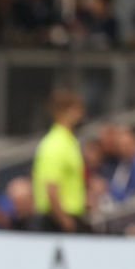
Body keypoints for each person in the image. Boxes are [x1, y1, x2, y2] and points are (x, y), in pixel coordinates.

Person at [32, 89, 87, 233]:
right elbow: (51, 184)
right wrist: (63, 219)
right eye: (76, 109)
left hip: (68, 215)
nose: (80, 114)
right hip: (56, 220)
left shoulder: (70, 141)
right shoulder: (55, 144)